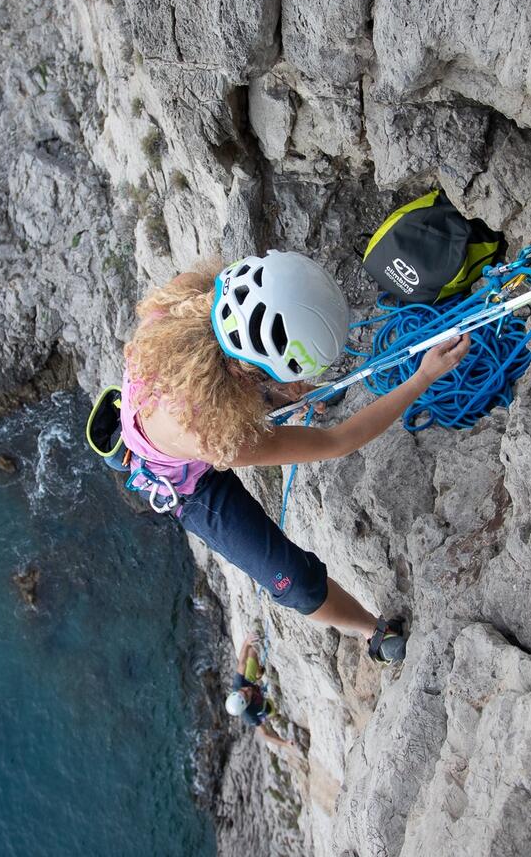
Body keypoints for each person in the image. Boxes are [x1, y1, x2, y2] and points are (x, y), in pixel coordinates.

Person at [119, 250, 472, 662]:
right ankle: (370, 632)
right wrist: (423, 377)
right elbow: (339, 441)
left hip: (188, 401)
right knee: (294, 583)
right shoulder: (211, 437)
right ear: (243, 374)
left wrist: (275, 392)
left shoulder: (184, 300)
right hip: (188, 483)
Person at [225, 635, 295, 749]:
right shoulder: (250, 716)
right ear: (247, 703)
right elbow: (265, 735)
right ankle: (276, 716)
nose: (246, 690)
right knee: (272, 710)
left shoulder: (238, 685)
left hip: (251, 681)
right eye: (246, 695)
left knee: (252, 652)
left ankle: (258, 672)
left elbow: (242, 662)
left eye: (242, 690)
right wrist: (285, 743)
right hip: (264, 706)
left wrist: (247, 643)